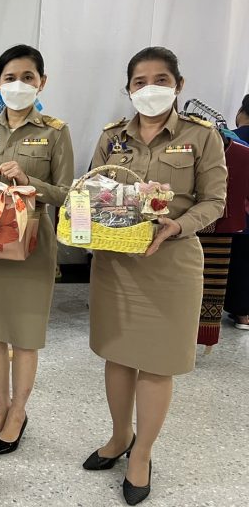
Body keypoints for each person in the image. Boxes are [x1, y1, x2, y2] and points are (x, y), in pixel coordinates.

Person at [84, 47, 227, 505]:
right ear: (128, 89)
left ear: (179, 85)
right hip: (117, 263)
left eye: (161, 80)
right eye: (140, 82)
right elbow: (92, 188)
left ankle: (142, 453)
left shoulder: (201, 136)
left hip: (171, 264)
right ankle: (119, 437)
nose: (150, 89)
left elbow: (215, 201)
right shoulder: (112, 137)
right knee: (118, 355)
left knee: (157, 362)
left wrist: (177, 226)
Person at [0, 44, 73, 455]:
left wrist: (29, 181)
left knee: (24, 333)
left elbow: (67, 194)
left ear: (42, 82)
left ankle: (19, 411)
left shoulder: (56, 132)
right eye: (10, 78)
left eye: (28, 77)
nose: (18, 85)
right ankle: (1, 406)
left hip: (32, 245)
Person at [224, 94, 249, 330]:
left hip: (233, 215)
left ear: (242, 112)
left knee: (236, 262)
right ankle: (244, 314)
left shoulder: (229, 140)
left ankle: (241, 312)